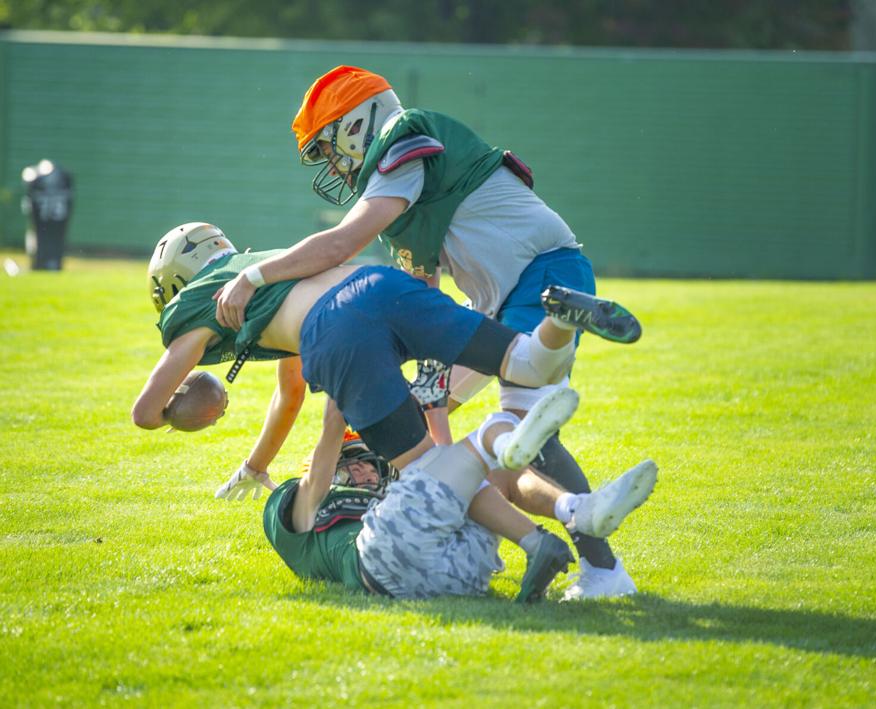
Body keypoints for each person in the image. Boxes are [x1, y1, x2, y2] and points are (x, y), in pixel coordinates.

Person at [213, 65, 642, 598]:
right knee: (475, 420)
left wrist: (254, 275)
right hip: (500, 298)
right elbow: (422, 294)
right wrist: (431, 377)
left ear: (357, 124)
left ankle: (599, 565)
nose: (331, 162)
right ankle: (584, 539)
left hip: (538, 274)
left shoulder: (403, 137)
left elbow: (340, 244)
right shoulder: (405, 181)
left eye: (328, 146)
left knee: (527, 425)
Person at [133, 223, 652, 597]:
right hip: (382, 284)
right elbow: (289, 392)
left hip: (336, 330)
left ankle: (510, 462)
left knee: (434, 467)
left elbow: (144, 411)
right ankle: (560, 319)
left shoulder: (197, 306)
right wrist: (255, 465)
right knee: (529, 363)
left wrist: (180, 410)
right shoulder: (263, 271)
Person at [265, 420, 658, 600]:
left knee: (491, 473)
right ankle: (566, 515)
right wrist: (337, 402)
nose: (362, 469)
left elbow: (444, 461)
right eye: (348, 465)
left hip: (458, 579)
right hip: (380, 559)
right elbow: (316, 479)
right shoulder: (302, 511)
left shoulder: (396, 495)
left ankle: (569, 511)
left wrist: (435, 408)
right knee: (491, 434)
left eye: (366, 462)